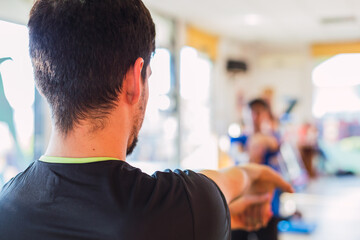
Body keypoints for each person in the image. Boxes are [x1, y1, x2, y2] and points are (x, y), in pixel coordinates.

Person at [0, 1, 293, 239]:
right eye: (149, 76)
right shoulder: (182, 209)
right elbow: (225, 183)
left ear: (42, 81)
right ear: (134, 80)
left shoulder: (6, 205)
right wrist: (248, 177)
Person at [231, 98, 283, 240]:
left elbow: (274, 144)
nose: (255, 117)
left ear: (266, 115)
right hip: (242, 206)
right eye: (252, 112)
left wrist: (259, 140)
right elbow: (238, 154)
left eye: (259, 112)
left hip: (268, 206)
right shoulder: (238, 140)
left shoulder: (273, 139)